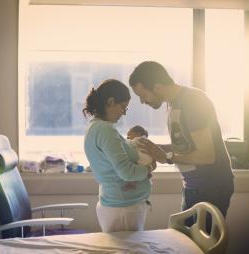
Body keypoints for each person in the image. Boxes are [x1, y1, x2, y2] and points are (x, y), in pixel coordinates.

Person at [128, 61, 234, 226]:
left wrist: (168, 157)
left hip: (211, 187)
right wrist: (154, 149)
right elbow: (186, 146)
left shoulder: (193, 101)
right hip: (193, 187)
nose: (142, 101)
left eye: (143, 95)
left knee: (200, 248)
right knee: (187, 242)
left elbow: (207, 155)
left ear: (157, 87)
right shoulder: (172, 104)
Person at [83, 79, 155, 233]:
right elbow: (127, 173)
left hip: (119, 204)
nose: (124, 113)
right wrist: (147, 169)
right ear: (110, 101)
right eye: (123, 107)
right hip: (123, 208)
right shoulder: (105, 130)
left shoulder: (94, 127)